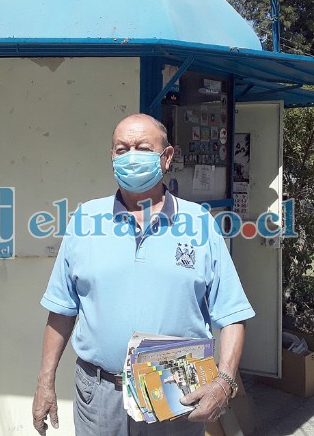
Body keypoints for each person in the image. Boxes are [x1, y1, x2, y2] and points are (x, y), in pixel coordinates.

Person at [32, 113, 255, 436]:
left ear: (166, 158)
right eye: (122, 149)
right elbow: (62, 311)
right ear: (111, 157)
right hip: (99, 397)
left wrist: (224, 381)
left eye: (142, 148)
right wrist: (44, 383)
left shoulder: (200, 225)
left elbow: (232, 313)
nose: (131, 156)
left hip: (175, 393)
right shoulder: (85, 221)